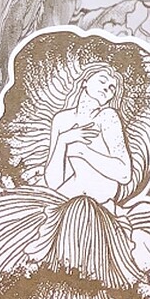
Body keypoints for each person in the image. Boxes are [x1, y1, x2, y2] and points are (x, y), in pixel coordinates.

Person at [43, 62, 133, 203]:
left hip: (99, 204)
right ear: (85, 82)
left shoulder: (107, 117)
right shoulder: (61, 120)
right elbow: (53, 183)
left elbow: (124, 174)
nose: (106, 88)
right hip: (67, 200)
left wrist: (81, 151)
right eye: (102, 81)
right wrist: (63, 140)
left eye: (112, 88)